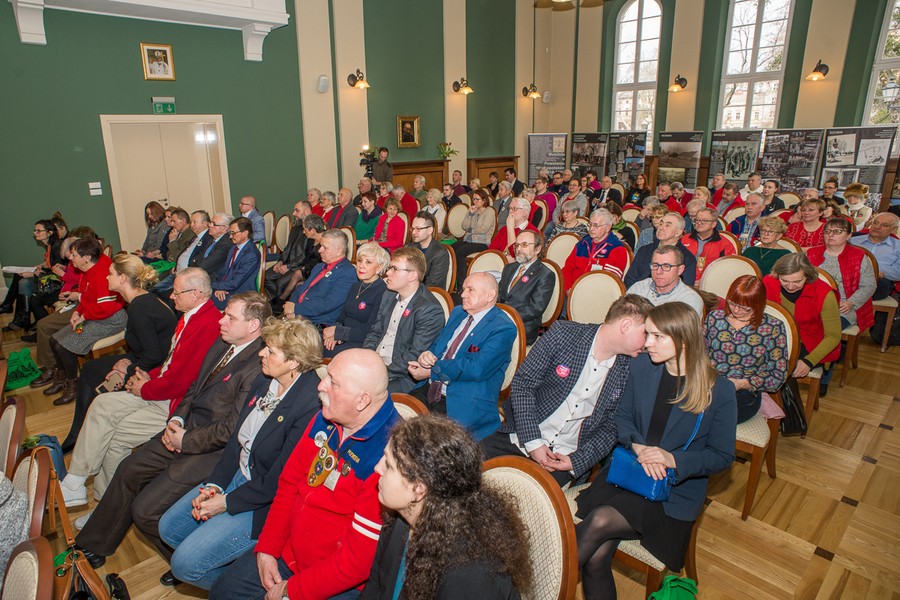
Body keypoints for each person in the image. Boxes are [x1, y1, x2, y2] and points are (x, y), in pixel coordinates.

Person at [74, 293, 270, 568]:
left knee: (145, 512)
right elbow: (194, 388)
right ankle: (93, 544)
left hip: (212, 451)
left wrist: (186, 439)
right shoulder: (222, 343)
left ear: (252, 326)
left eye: (230, 317)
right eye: (224, 313)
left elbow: (231, 430)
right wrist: (176, 420)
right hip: (184, 431)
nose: (221, 320)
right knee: (129, 469)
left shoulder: (259, 366)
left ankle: (185, 563)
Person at [574, 302, 737, 600]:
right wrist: (639, 447)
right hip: (630, 473)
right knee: (596, 558)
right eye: (647, 334)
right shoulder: (642, 368)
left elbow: (722, 456)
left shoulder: (719, 390)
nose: (646, 343)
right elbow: (620, 417)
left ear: (684, 340)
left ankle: (538, 581)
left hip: (672, 494)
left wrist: (671, 458)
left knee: (598, 522)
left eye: (657, 336)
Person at [211, 349, 401, 600]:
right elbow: (289, 484)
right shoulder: (325, 418)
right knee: (222, 592)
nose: (321, 386)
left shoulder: (387, 458)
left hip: (335, 580)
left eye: (333, 382)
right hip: (287, 554)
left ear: (362, 400)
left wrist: (293, 590)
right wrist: (268, 548)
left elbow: (355, 563)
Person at [157, 318, 323, 589]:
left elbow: (278, 480)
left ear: (293, 362)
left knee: (185, 566)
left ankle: (238, 589)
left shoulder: (309, 405)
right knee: (168, 528)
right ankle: (229, 563)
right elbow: (236, 442)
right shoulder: (264, 379)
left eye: (270, 350)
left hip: (265, 502)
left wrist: (226, 502)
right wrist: (215, 485)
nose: (261, 353)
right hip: (236, 477)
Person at [58, 268, 221, 504]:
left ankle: (100, 502)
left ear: (196, 293)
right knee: (102, 403)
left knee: (115, 434)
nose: (172, 297)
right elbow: (169, 363)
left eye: (177, 292)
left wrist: (143, 387)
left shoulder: (206, 324)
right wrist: (145, 374)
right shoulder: (190, 316)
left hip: (176, 404)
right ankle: (78, 483)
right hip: (161, 389)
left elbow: (183, 382)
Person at [481, 295, 653, 486]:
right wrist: (534, 442)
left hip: (562, 460)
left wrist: (576, 462)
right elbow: (524, 384)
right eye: (646, 333)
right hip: (520, 438)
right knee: (460, 469)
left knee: (521, 502)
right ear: (626, 325)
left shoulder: (630, 368)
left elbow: (612, 427)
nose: (648, 343)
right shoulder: (564, 334)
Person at [361, 415, 532, 600]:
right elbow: (375, 588)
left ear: (419, 489)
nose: (378, 468)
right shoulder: (401, 518)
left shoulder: (469, 575)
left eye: (389, 464)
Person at [58, 255, 175, 449]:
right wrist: (127, 362)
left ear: (123, 278)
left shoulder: (139, 307)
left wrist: (127, 370)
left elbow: (155, 354)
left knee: (92, 372)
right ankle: (82, 432)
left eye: (110, 274)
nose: (106, 278)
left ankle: (85, 435)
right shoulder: (141, 300)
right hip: (146, 358)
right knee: (89, 369)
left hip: (156, 368)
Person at [408, 272, 516, 440]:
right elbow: (439, 346)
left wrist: (432, 371)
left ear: (490, 296)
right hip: (430, 388)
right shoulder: (459, 313)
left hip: (461, 400)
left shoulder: (502, 328)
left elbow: (477, 368)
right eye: (464, 289)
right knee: (394, 418)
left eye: (470, 290)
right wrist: (426, 357)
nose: (463, 294)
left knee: (422, 442)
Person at [34, 239, 127, 400]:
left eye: (74, 255)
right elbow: (85, 296)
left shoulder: (102, 274)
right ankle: (62, 377)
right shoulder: (87, 270)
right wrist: (78, 312)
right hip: (95, 314)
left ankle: (73, 384)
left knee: (63, 346)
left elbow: (104, 309)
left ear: (87, 257)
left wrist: (83, 316)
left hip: (110, 320)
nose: (70, 258)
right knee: (54, 340)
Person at [705, 275, 789, 422]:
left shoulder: (772, 327)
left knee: (715, 410)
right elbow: (699, 354)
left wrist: (744, 383)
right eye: (732, 303)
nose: (736, 310)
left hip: (745, 391)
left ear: (758, 304)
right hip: (711, 382)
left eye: (744, 307)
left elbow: (777, 375)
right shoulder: (715, 318)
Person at [365, 247, 445, 392]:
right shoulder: (389, 295)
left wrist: (378, 373)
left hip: (401, 377)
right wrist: (367, 359)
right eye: (389, 267)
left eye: (394, 269)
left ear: (412, 276)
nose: (387, 272)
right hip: (375, 365)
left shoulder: (429, 310)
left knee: (357, 392)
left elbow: (413, 356)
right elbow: (375, 333)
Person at [764, 254, 841, 385]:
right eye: (784, 280)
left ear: (807, 276)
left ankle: (782, 402)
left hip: (809, 342)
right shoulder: (769, 282)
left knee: (778, 366)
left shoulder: (824, 293)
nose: (790, 286)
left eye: (797, 281)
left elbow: (833, 336)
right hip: (776, 337)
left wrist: (809, 361)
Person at [322, 242, 390, 359]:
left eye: (368, 262)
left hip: (361, 343)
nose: (361, 266)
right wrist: (334, 336)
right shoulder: (355, 286)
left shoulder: (382, 292)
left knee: (316, 351)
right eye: (359, 260)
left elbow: (369, 332)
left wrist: (338, 332)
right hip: (342, 338)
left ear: (379, 268)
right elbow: (341, 318)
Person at [809, 218, 876, 333]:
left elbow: (869, 286)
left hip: (843, 307)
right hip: (811, 303)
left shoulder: (858, 256)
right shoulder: (812, 253)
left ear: (849, 235)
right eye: (827, 231)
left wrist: (851, 302)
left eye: (837, 232)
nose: (831, 235)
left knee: (821, 331)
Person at [284, 229, 358, 326]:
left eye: (325, 247)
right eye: (320, 246)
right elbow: (301, 290)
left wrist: (296, 309)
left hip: (316, 323)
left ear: (338, 251)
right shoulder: (319, 267)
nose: (319, 250)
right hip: (299, 315)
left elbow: (327, 304)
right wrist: (291, 308)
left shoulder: (348, 273)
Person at [1, 218, 62, 333]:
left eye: (39, 231)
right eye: (34, 230)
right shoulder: (49, 245)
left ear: (49, 232)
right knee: (19, 277)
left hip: (57, 283)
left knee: (23, 282)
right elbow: (50, 264)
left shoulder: (56, 246)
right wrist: (39, 267)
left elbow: (58, 272)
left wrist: (33, 273)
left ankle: (18, 316)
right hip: (51, 277)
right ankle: (18, 315)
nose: (35, 233)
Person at [497, 230, 555, 345]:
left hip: (522, 327)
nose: (518, 249)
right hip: (499, 321)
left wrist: (505, 316)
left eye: (524, 245)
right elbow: (498, 295)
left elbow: (535, 309)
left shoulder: (545, 274)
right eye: (517, 245)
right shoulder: (509, 268)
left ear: (537, 249)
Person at [561, 208, 629, 292]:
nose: (591, 229)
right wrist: (568, 289)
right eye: (590, 225)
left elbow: (610, 282)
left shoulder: (617, 249)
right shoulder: (582, 243)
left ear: (607, 227)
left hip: (595, 295)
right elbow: (567, 268)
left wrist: (583, 294)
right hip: (572, 291)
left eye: (596, 225)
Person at [627, 246, 704, 316]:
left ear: (680, 270)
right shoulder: (639, 288)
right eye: (655, 266)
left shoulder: (690, 300)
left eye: (666, 266)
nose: (658, 271)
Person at [626, 212, 697, 288]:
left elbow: (685, 288)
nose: (661, 228)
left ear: (678, 233)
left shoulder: (687, 258)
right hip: (639, 296)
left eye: (667, 225)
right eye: (661, 224)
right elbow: (630, 279)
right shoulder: (644, 250)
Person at [265, 201, 311, 300]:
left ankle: (281, 304)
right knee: (266, 276)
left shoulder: (312, 230)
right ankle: (276, 303)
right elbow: (287, 248)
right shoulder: (295, 228)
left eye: (297, 211)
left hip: (299, 266)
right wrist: (280, 261)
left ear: (307, 211)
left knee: (281, 283)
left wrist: (289, 266)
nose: (294, 214)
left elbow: (306, 256)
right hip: (287, 262)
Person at [212, 216, 261, 309]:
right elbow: (224, 271)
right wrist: (219, 287)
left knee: (204, 299)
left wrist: (214, 286)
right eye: (230, 233)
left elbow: (236, 282)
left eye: (233, 233)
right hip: (228, 289)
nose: (230, 236)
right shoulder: (234, 248)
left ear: (245, 233)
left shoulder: (251, 254)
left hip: (242, 294)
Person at [450, 189, 495, 285]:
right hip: (469, 239)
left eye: (477, 199)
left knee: (460, 253)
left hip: (482, 242)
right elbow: (464, 226)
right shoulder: (472, 210)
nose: (475, 202)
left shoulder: (489, 211)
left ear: (484, 200)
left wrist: (471, 230)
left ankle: (463, 281)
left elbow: (484, 229)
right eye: (473, 199)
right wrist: (470, 214)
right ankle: (452, 279)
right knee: (451, 249)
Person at [851, 211, 900, 299]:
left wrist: (879, 272)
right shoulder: (852, 241)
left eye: (884, 225)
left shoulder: (898, 247)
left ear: (894, 230)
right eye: (875, 223)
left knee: (880, 285)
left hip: (878, 281)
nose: (877, 227)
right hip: (848, 276)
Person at [681, 207, 737, 278]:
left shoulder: (725, 244)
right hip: (684, 280)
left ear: (714, 224)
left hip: (710, 283)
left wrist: (705, 281)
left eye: (704, 220)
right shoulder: (685, 239)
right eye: (697, 220)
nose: (699, 223)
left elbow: (728, 270)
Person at [489, 197, 540, 263]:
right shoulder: (504, 229)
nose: (510, 211)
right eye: (509, 208)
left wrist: (510, 229)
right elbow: (491, 249)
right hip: (497, 263)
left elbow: (516, 255)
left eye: (514, 209)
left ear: (525, 212)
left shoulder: (532, 232)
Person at [408, 212, 449, 287]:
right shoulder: (410, 247)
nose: (413, 232)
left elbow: (433, 285)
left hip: (428, 294)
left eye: (418, 229)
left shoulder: (440, 253)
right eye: (413, 228)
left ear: (430, 230)